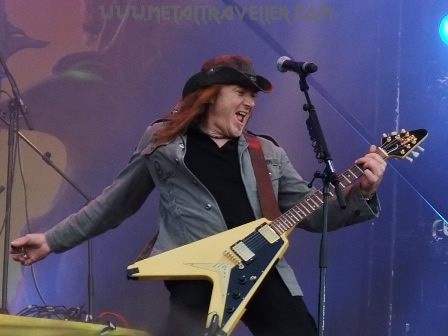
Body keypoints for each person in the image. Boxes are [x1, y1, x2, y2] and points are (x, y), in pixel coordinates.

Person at [10, 55, 387, 336]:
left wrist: (362, 192)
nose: (250, 103)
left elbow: (316, 214)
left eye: (253, 97)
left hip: (265, 272)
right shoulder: (164, 144)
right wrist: (51, 240)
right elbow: (114, 204)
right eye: (240, 92)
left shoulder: (266, 152)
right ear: (209, 96)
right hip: (197, 276)